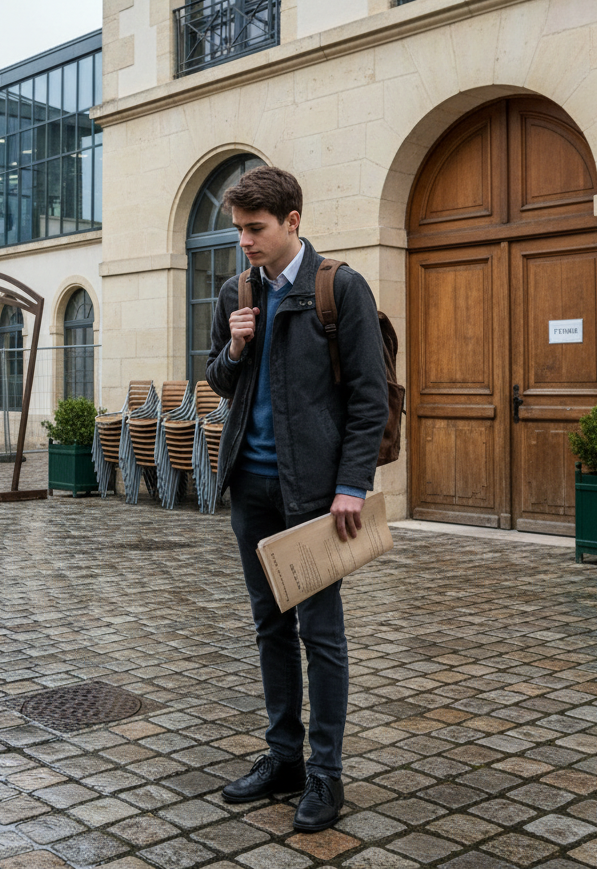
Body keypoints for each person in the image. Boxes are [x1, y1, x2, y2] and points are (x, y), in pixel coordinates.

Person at [206, 166, 389, 833]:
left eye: (255, 230)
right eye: (238, 230)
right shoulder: (237, 289)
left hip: (315, 493)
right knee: (270, 627)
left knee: (322, 632)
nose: (244, 242)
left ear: (292, 222)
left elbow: (370, 398)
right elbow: (219, 379)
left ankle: (325, 772)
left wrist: (351, 485)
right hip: (250, 487)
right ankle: (282, 757)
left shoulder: (338, 288)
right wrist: (235, 341)